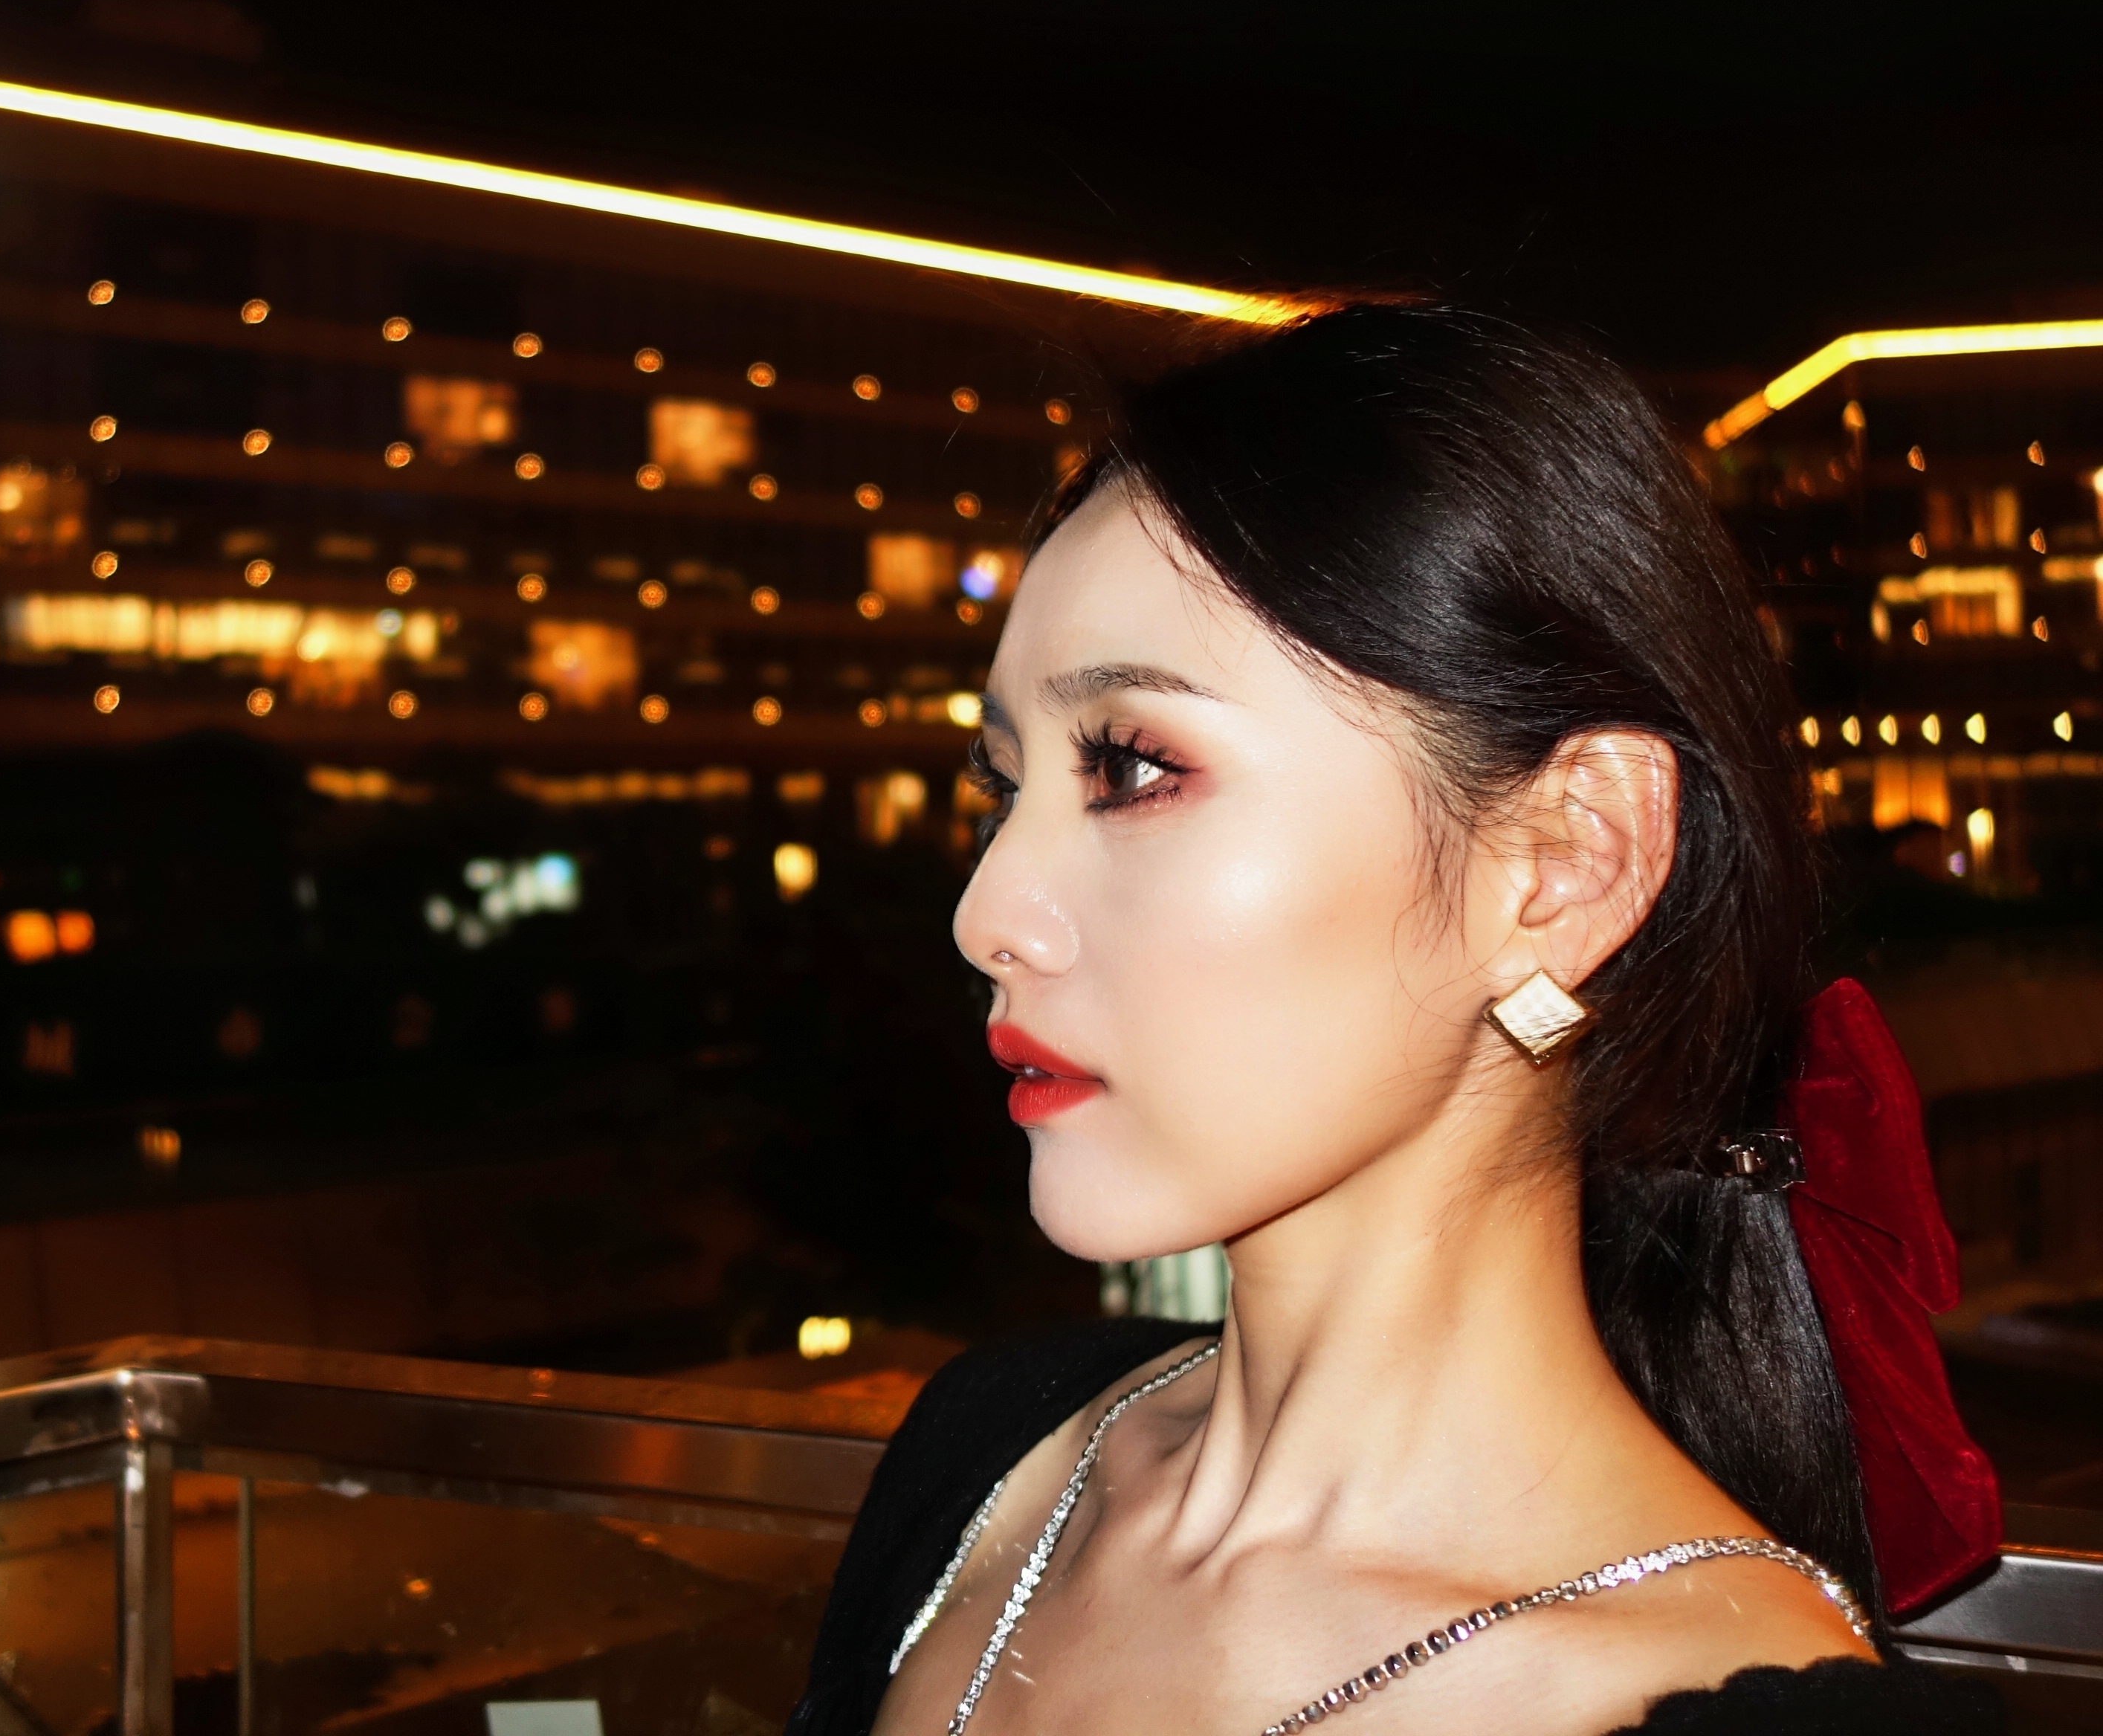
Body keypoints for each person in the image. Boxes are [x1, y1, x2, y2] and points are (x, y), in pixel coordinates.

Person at [790, 307, 2000, 1735]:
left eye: (1133, 767)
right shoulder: (984, 1454)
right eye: (1004, 787)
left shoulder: (1726, 1706)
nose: (987, 912)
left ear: (1567, 860)